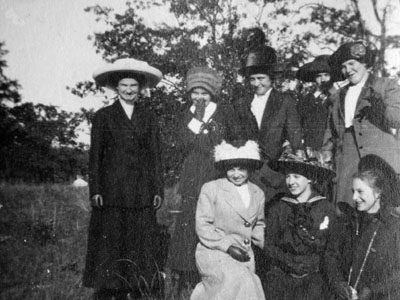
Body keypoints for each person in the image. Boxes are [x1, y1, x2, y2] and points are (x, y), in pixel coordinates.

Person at [82, 58, 165, 300]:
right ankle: (111, 288)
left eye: (133, 85)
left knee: (139, 240)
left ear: (141, 88)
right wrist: (95, 189)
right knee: (112, 240)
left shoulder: (149, 117)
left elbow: (155, 156)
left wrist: (157, 188)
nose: (129, 90)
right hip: (111, 190)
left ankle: (136, 286)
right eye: (124, 85)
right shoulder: (103, 116)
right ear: (116, 88)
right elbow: (95, 156)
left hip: (141, 191)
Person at [166, 66, 234, 296]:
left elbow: (219, 144)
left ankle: (211, 276)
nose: (199, 97)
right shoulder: (187, 114)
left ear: (212, 94)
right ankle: (185, 276)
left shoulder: (222, 113)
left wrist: (205, 129)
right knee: (187, 228)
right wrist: (195, 122)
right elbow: (182, 143)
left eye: (204, 93)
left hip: (213, 176)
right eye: (195, 92)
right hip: (192, 178)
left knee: (211, 225)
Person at [322, 40, 400, 206]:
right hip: (347, 162)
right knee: (347, 211)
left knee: (384, 213)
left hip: (380, 161)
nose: (348, 70)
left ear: (364, 63)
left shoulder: (385, 85)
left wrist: (379, 104)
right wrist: (326, 155)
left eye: (352, 63)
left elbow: (396, 119)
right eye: (343, 66)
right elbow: (332, 131)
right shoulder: (338, 96)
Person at [190, 139, 266, 300]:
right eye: (231, 169)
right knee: (240, 280)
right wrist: (228, 246)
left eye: (242, 169)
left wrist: (267, 244)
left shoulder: (257, 193)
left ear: (250, 169)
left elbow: (258, 224)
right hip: (214, 251)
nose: (236, 174)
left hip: (243, 253)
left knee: (252, 281)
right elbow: (203, 226)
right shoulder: (212, 188)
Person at [235, 29, 302, 202]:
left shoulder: (285, 102)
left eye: (261, 78)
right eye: (252, 79)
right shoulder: (242, 103)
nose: (257, 83)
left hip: (275, 175)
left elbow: (295, 139)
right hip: (249, 172)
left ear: (271, 77)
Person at [262, 148, 337, 300]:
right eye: (288, 176)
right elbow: (269, 245)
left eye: (296, 176)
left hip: (313, 281)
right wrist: (289, 262)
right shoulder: (279, 207)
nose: (290, 182)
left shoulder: (325, 208)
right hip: (282, 279)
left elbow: (331, 249)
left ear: (310, 178)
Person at [324, 154, 400, 300]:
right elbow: (330, 256)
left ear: (378, 193)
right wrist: (338, 283)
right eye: (353, 192)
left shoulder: (394, 227)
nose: (354, 198)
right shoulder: (346, 222)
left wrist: (373, 290)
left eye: (360, 192)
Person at [296, 55, 335, 149]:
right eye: (319, 76)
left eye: (326, 75)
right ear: (314, 78)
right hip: (308, 145)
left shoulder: (335, 96)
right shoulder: (306, 99)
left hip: (328, 145)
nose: (323, 79)